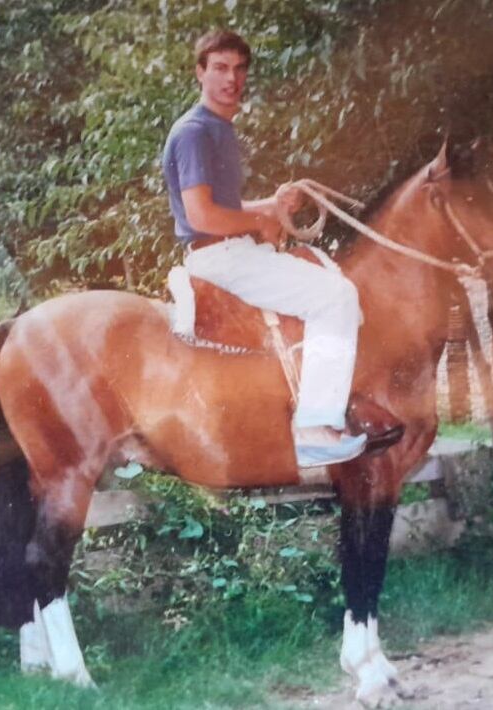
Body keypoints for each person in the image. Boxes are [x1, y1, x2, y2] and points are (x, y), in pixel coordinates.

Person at [162, 29, 369, 468]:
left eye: (238, 69)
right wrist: (261, 218)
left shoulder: (218, 129)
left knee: (329, 286)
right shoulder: (196, 132)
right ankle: (314, 427)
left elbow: (226, 207)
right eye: (219, 68)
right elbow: (202, 217)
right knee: (337, 296)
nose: (230, 79)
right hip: (221, 256)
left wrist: (270, 206)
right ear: (199, 73)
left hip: (232, 250)